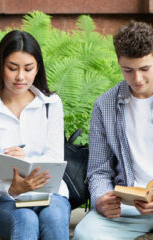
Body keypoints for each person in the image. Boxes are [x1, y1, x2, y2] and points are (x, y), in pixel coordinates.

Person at [0, 30, 70, 240]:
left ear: (37, 68)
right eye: (12, 68)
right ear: (0, 67)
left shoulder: (50, 104)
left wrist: (26, 161)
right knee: (25, 219)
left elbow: (55, 158)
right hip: (2, 200)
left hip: (51, 194)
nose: (20, 77)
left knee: (54, 217)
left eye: (28, 68)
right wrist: (12, 187)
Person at [73, 21, 153, 240]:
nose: (137, 79)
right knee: (84, 235)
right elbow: (99, 170)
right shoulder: (104, 105)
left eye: (145, 69)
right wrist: (101, 199)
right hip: (128, 208)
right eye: (128, 70)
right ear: (118, 62)